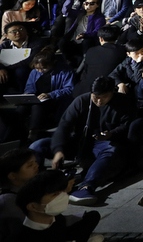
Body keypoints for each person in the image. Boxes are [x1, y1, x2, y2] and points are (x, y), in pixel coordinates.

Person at [31, 76, 135, 206]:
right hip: (79, 141)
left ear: (112, 93)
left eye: (103, 97)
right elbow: (64, 126)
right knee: (39, 145)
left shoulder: (123, 102)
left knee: (112, 150)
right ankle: (36, 181)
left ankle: (86, 186)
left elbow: (126, 126)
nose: (98, 100)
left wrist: (110, 134)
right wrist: (58, 150)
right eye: (95, 96)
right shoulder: (82, 101)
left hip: (103, 143)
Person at [1, 170, 102, 242]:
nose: (62, 196)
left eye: (62, 192)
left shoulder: (57, 220)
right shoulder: (21, 237)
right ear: (33, 207)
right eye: (55, 195)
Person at [0, 149, 39, 222]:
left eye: (35, 162)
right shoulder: (8, 201)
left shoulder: (31, 187)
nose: (36, 166)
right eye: (30, 165)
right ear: (12, 175)